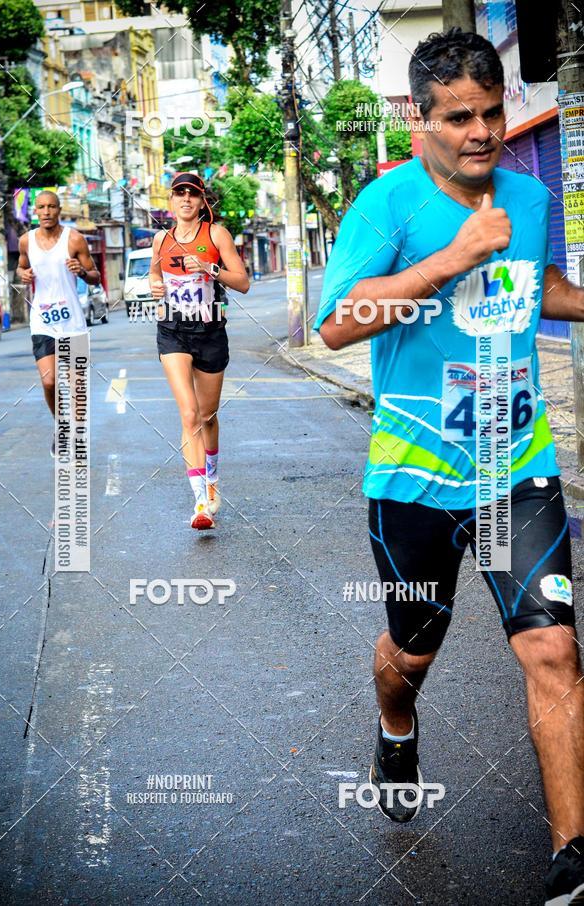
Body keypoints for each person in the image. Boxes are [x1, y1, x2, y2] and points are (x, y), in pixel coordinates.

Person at [315, 29, 584, 906]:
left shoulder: (531, 196)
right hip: (414, 479)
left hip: (517, 465)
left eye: (493, 111)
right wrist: (452, 257)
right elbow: (340, 323)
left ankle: (571, 859)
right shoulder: (385, 207)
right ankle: (395, 723)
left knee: (552, 649)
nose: (481, 131)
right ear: (419, 119)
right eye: (458, 116)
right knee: (413, 654)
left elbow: (535, 289)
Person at [149, 173, 249, 530]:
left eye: (192, 194)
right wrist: (156, 286)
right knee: (189, 414)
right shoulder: (162, 239)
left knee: (207, 416)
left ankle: (213, 481)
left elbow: (243, 282)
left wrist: (211, 269)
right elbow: (154, 276)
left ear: (201, 200)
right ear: (171, 202)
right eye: (180, 194)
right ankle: (201, 502)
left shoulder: (216, 234)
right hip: (172, 330)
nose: (186, 199)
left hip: (209, 330)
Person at [17, 191, 100, 455]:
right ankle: (60, 424)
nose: (46, 212)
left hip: (72, 323)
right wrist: (24, 274)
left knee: (76, 388)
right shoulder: (25, 241)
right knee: (50, 381)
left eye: (51, 207)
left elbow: (96, 276)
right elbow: (20, 268)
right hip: (42, 321)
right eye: (41, 207)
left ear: (59, 209)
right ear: (35, 211)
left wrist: (82, 272)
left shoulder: (74, 239)